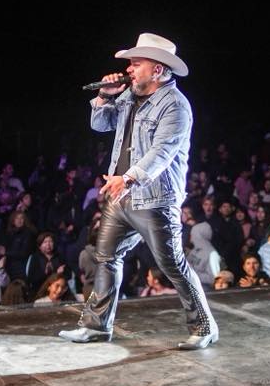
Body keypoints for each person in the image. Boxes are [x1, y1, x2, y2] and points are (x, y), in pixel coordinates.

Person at [58, 33, 219, 350]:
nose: (129, 69)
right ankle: (96, 326)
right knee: (106, 258)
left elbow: (162, 152)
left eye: (135, 63)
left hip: (155, 199)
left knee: (172, 264)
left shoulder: (175, 106)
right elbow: (100, 125)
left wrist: (128, 178)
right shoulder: (130, 96)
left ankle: (204, 326)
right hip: (120, 198)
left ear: (157, 69)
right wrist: (104, 96)